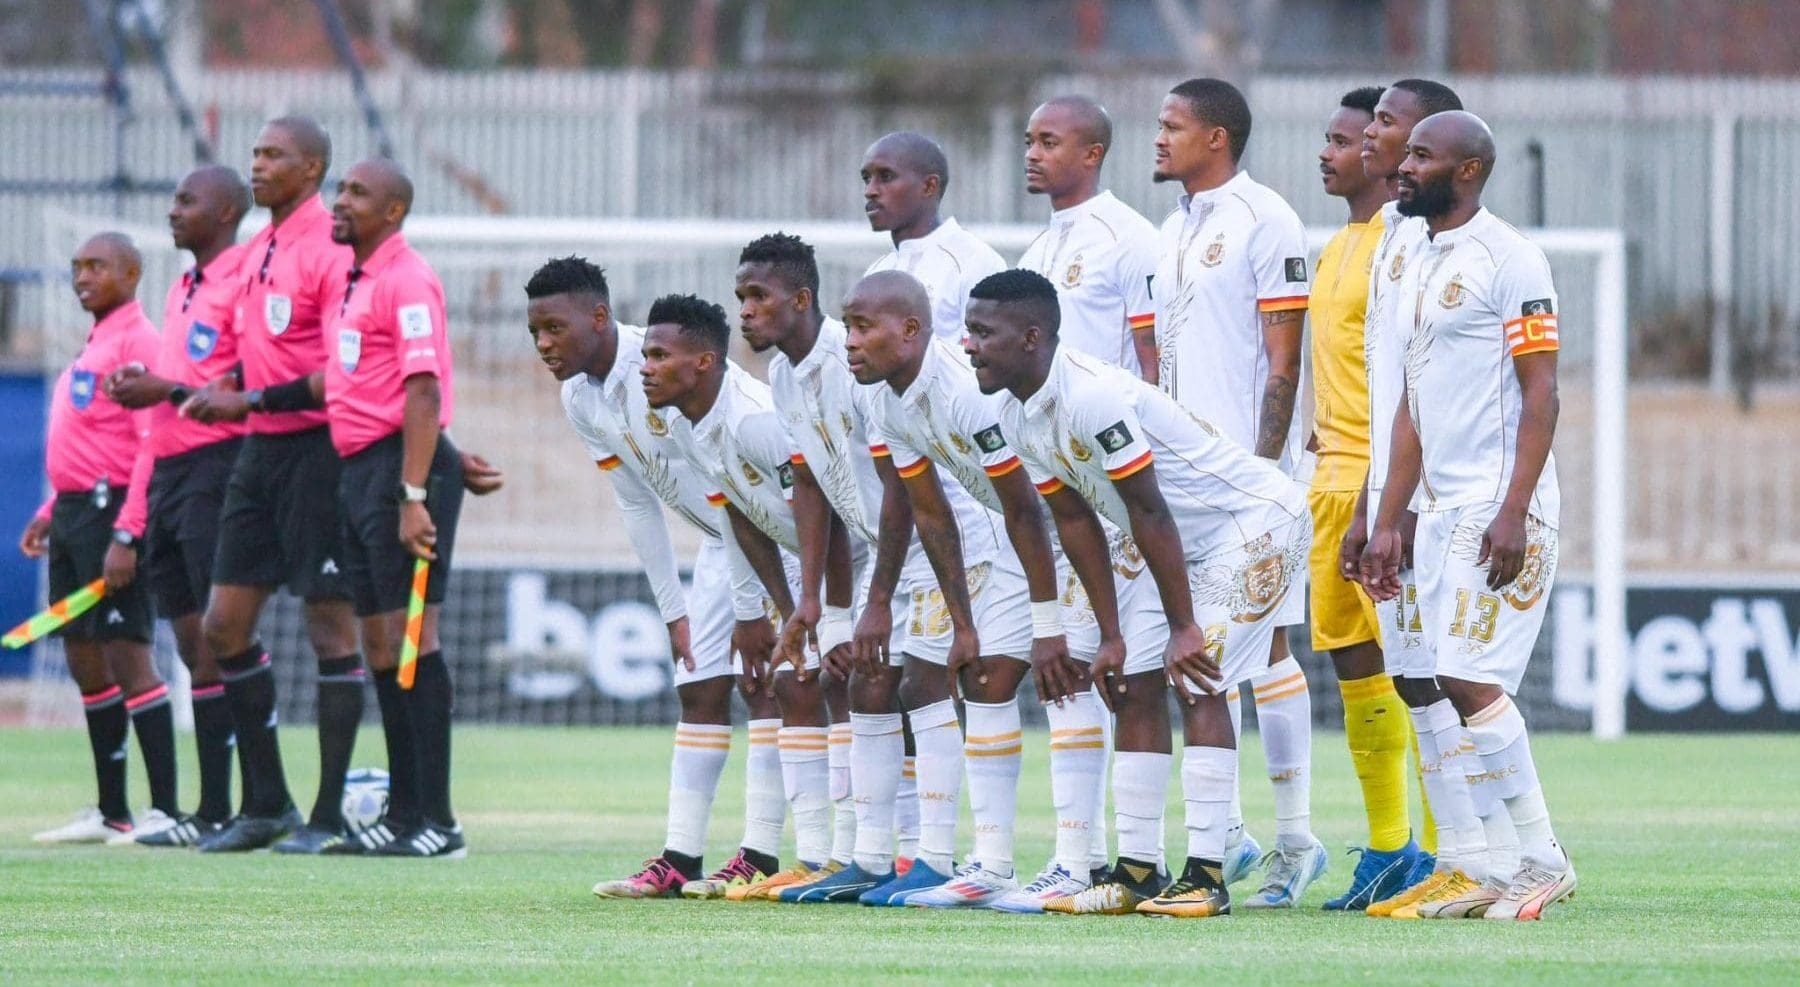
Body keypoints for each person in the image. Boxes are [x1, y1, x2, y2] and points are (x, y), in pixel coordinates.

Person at [968, 268, 1311, 918]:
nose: (970, 345)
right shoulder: (1013, 414)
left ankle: (1206, 876)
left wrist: (1183, 627)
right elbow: (1075, 521)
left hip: (1252, 523)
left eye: (983, 332)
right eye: (970, 331)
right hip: (1171, 539)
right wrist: (1111, 636)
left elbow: (1150, 508)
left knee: (1198, 675)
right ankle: (1138, 870)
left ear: (1032, 337)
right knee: (1129, 682)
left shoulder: (1093, 395)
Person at [1361, 110, 1575, 921]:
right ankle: (1490, 864)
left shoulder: (1510, 258)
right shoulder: (1420, 257)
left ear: (1470, 170)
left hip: (1499, 505)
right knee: (1445, 680)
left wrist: (1515, 508)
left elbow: (1542, 392)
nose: (1404, 166)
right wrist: (1389, 518)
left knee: (1467, 676)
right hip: (1440, 505)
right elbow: (1412, 405)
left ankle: (1543, 857)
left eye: (1422, 155)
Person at [530, 257, 787, 896]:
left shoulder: (667, 369)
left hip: (778, 541)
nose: (544, 345)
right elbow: (635, 502)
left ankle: (761, 852)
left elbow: (735, 490)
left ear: (598, 317)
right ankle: (680, 858)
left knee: (766, 686)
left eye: (555, 328)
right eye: (535, 332)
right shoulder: (580, 398)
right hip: (722, 544)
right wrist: (673, 610)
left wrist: (751, 610)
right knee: (698, 686)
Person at [741, 234, 969, 907]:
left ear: (800, 299)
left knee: (922, 683)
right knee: (867, 685)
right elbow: (810, 487)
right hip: (880, 545)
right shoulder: (784, 377)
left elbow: (900, 488)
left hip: (928, 539)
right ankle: (868, 857)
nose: (745, 310)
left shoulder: (855, 361)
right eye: (741, 297)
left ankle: (933, 854)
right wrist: (813, 603)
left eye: (758, 296)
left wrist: (873, 600)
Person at [1149, 76, 1324, 904]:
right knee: (1205, 655)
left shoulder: (1267, 219)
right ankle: (1234, 833)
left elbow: (1284, 363)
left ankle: (1293, 838)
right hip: (1178, 483)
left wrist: (1259, 471)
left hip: (1248, 483)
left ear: (1216, 137)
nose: (1159, 138)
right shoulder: (1170, 229)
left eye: (1172, 125)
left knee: (1261, 648)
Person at [176, 116, 363, 852]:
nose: (256, 165)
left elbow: (340, 370)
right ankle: (266, 803)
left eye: (273, 155)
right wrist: (230, 381)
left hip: (320, 451)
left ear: (311, 169)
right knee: (223, 625)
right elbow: (266, 351)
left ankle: (328, 816)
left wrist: (248, 397)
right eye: (254, 153)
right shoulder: (259, 247)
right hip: (260, 452)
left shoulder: (331, 248)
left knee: (329, 628)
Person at [1349, 78, 1510, 919]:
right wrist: (1370, 501)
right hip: (1392, 489)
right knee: (1414, 679)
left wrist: (1402, 505)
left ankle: (1495, 856)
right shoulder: (1392, 235)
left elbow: (1438, 390)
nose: (1375, 138)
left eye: (1394, 127)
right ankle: (1462, 858)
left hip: (1442, 498)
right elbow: (1389, 389)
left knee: (1452, 675)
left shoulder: (1449, 248)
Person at [640, 292, 857, 900]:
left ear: (704, 362)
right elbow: (739, 515)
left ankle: (849, 855)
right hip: (792, 556)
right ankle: (813, 858)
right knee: (795, 685)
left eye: (659, 356)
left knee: (845, 687)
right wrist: (775, 608)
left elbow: (823, 511)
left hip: (843, 552)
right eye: (646, 356)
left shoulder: (753, 420)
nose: (646, 369)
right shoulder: (689, 426)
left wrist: (815, 603)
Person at [843, 270, 1048, 909]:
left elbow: (1025, 504)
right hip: (993, 534)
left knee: (1022, 678)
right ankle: (948, 860)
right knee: (945, 679)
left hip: (1048, 528)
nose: (849, 341)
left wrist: (1045, 614)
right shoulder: (886, 401)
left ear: (910, 330)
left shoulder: (965, 390)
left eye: (862, 327)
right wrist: (962, 621)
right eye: (847, 327)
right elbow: (928, 511)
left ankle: (1048, 860)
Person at [309, 156, 480, 856]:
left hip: (398, 476)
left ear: (394, 211)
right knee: (382, 643)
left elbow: (423, 389)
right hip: (362, 470)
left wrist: (416, 491)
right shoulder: (358, 278)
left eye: (357, 192)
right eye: (340, 189)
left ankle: (439, 821)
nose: (340, 201)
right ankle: (402, 814)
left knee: (415, 641)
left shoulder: (408, 279)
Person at [1302, 85, 1438, 910]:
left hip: (1384, 485)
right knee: (1356, 670)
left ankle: (1453, 851)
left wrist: (1387, 492)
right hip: (1330, 484)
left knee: (1422, 672)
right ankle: (1392, 846)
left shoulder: (1407, 242)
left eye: (1346, 138)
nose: (1330, 151)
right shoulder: (1338, 246)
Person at [104, 166, 255, 847]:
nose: (172, 210)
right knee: (193, 644)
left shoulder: (244, 280)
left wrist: (163, 389)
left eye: (186, 200)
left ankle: (236, 805)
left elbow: (252, 377)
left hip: (215, 467)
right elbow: (188, 379)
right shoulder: (183, 285)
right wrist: (153, 383)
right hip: (168, 471)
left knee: (218, 639)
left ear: (223, 212)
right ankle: (209, 809)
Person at [25, 233, 177, 845]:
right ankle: (112, 810)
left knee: (127, 654)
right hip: (73, 515)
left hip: (111, 513)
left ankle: (166, 810)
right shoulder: (95, 343)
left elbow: (151, 444)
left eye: (97, 266)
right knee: (84, 658)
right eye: (77, 267)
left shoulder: (140, 341)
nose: (83, 277)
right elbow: (90, 441)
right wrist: (50, 510)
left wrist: (128, 532)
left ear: (133, 274)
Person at [1018, 95, 1160, 380]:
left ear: (1092, 155)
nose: (1032, 154)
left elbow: (1155, 366)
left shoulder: (1130, 239)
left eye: (1048, 143)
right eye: (1029, 142)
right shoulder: (1035, 251)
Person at [861, 131, 1005, 345]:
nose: (870, 190)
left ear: (929, 186)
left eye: (886, 177)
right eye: (867, 179)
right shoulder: (876, 271)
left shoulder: (975, 263)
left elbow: (985, 358)